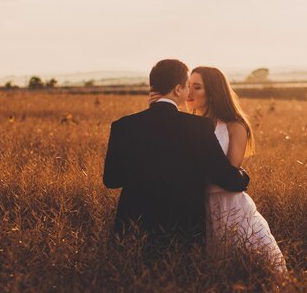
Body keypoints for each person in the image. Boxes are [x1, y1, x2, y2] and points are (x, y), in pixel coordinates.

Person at [103, 59, 250, 254]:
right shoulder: (198, 127)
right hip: (182, 230)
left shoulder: (122, 126)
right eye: (187, 86)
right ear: (178, 89)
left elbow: (111, 180)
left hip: (132, 229)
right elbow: (226, 179)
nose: (189, 92)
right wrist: (243, 176)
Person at [150, 66, 288, 275]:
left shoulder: (234, 126)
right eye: (189, 87)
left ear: (213, 91)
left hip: (230, 205)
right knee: (209, 270)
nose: (191, 93)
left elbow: (229, 174)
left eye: (197, 87)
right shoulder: (186, 125)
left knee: (251, 265)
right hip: (198, 206)